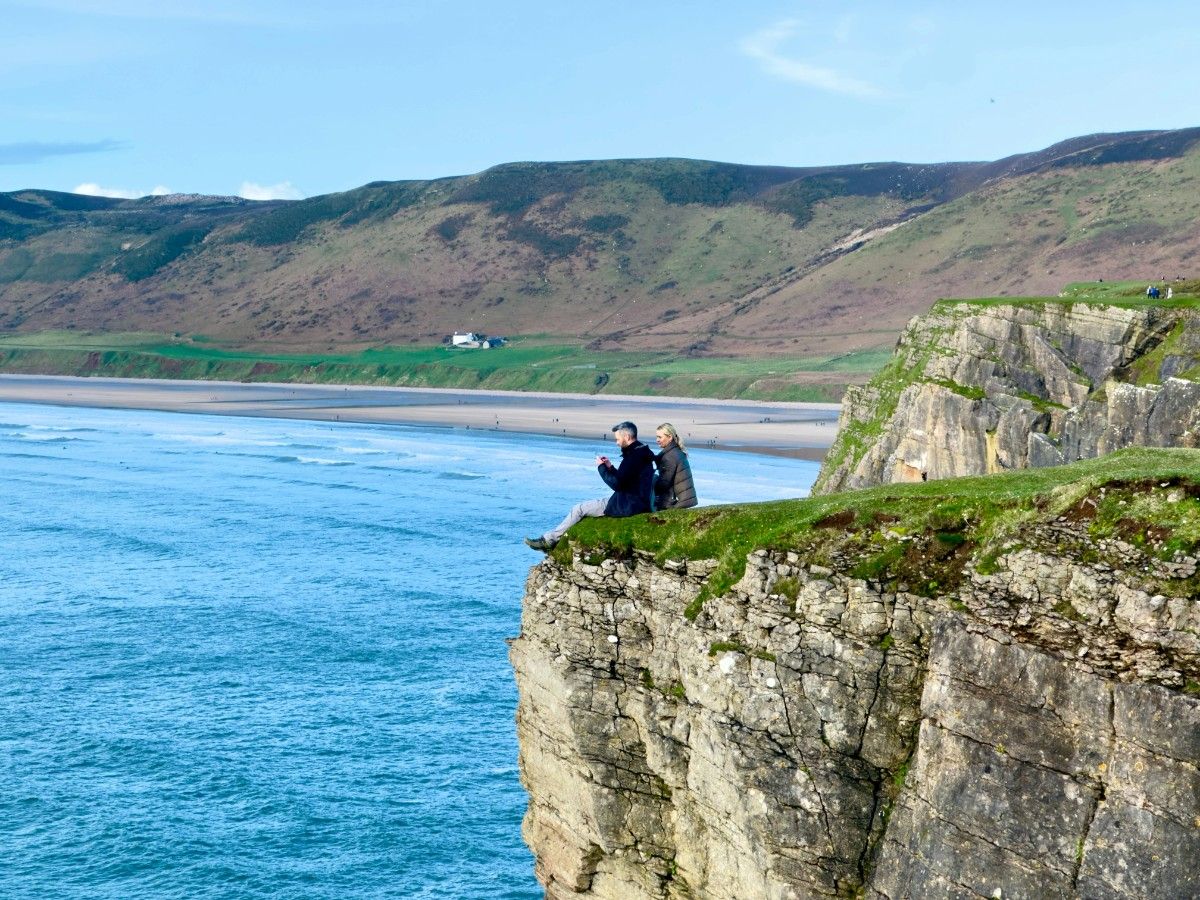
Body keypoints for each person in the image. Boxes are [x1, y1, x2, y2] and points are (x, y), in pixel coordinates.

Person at [524, 421, 655, 551]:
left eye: (618, 439)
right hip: (634, 500)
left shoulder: (633, 457)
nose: (617, 443)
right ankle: (549, 539)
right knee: (583, 508)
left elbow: (617, 484)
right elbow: (626, 479)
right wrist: (610, 467)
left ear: (626, 437)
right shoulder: (641, 453)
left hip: (627, 505)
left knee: (579, 509)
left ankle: (548, 540)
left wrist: (601, 468)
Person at [652, 423, 697, 510]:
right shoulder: (675, 452)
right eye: (657, 437)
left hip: (676, 502)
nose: (657, 440)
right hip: (684, 499)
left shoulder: (670, 457)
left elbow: (664, 483)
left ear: (670, 437)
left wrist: (650, 483)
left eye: (660, 437)